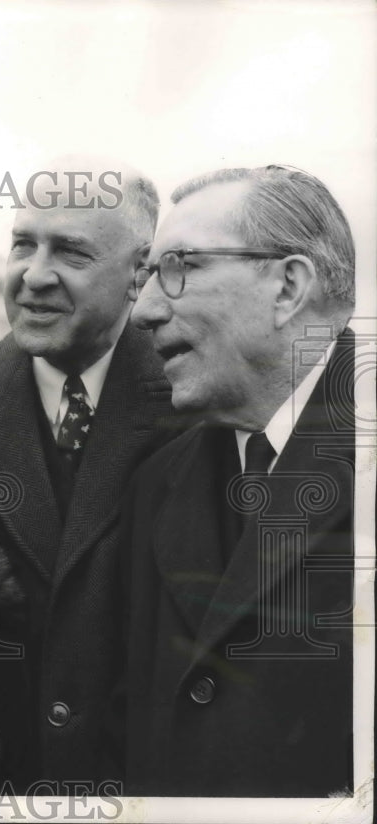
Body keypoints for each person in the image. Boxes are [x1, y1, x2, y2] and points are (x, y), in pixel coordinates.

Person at [0, 159, 175, 791]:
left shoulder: (191, 404)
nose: (33, 276)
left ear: (139, 274)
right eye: (22, 244)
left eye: (71, 253)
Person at [125, 165, 358, 796]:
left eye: (180, 267)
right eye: (145, 276)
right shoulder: (157, 483)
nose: (143, 310)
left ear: (287, 287)